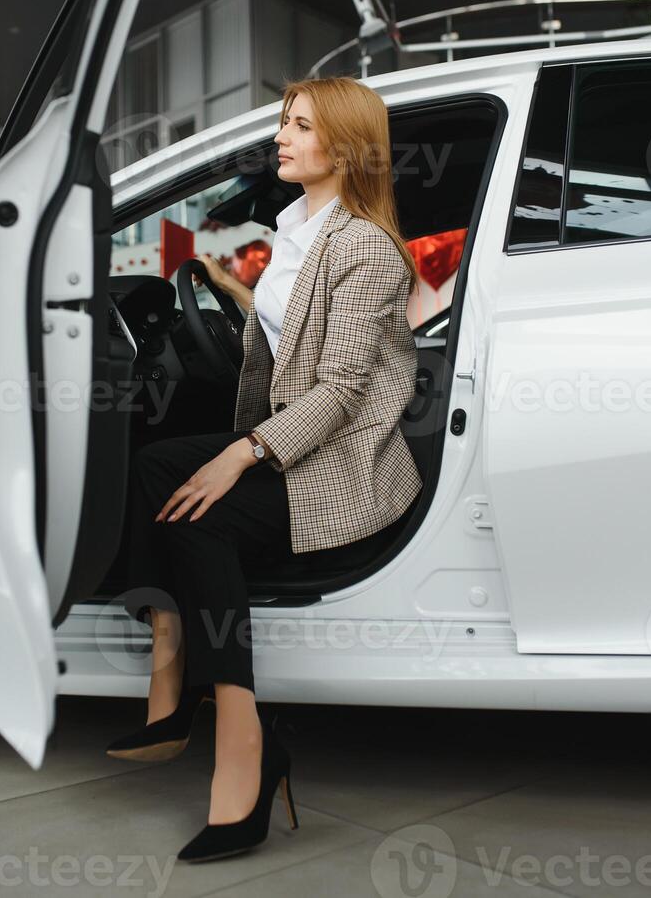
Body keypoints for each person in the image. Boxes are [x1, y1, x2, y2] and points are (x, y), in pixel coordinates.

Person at [105, 75, 423, 863]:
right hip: (292, 440)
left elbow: (344, 390)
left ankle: (245, 747)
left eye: (301, 126)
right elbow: (296, 326)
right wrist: (231, 292)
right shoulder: (299, 227)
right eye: (284, 122)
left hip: (342, 463)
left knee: (202, 511)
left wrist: (238, 454)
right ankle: (171, 674)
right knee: (152, 468)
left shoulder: (367, 247)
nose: (282, 136)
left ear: (346, 146)